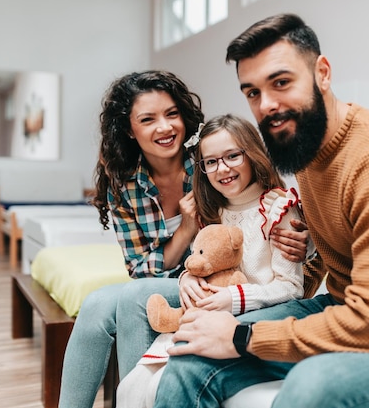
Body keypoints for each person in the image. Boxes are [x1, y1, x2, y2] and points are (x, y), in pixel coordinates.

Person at [152, 13, 369, 408]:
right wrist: (300, 251)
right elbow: (321, 265)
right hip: (343, 306)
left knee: (311, 389)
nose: (267, 105)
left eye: (281, 82)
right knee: (192, 355)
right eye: (253, 93)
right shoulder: (305, 151)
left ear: (322, 73)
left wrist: (243, 336)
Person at [58, 71, 309, 408]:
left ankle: (140, 398)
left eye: (172, 114)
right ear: (129, 130)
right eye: (148, 119)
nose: (164, 127)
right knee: (97, 305)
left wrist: (308, 243)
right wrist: (186, 232)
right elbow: (141, 269)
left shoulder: (206, 164)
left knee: (132, 298)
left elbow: (265, 229)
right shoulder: (126, 185)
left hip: (224, 284)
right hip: (174, 278)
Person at [116, 113, 309, 408]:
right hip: (211, 313)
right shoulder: (213, 211)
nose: (223, 169)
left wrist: (234, 298)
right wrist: (188, 278)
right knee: (131, 388)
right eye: (211, 162)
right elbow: (204, 262)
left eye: (232, 156)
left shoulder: (278, 209)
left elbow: (291, 287)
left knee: (165, 379)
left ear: (252, 154)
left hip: (259, 315)